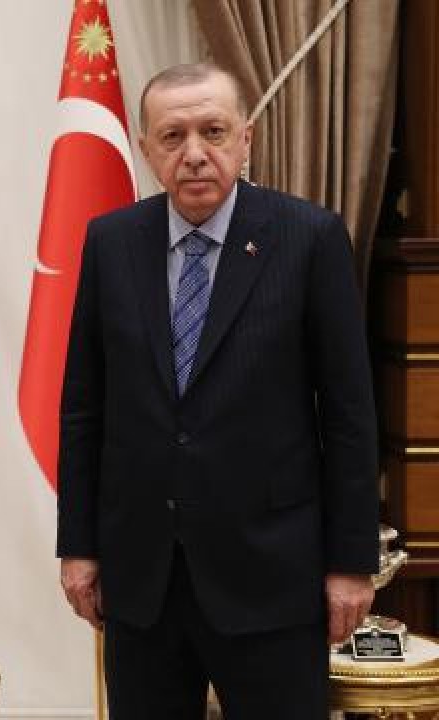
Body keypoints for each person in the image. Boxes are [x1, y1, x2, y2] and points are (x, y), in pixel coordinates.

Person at [56, 63, 378, 718]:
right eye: (172, 136)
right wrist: (79, 547)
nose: (195, 154)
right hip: (143, 581)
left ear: (246, 138)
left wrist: (351, 563)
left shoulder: (309, 239)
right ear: (146, 149)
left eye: (214, 131)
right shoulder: (110, 243)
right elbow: (85, 408)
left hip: (272, 579)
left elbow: (349, 415)